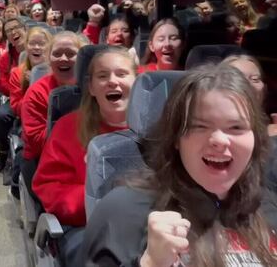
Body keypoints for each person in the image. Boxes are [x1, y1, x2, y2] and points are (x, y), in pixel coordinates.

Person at [80, 64, 277, 266]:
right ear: (176, 138)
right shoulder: (122, 212)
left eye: (236, 127)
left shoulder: (268, 205)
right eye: (199, 126)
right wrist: (150, 263)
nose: (220, 140)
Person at [33, 47, 136, 229]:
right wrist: (104, 201)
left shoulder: (158, 128)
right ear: (92, 88)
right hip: (87, 225)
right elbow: (49, 188)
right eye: (103, 76)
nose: (113, 81)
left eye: (121, 74)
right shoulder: (68, 127)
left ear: (137, 82)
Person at [21, 31, 87, 193]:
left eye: (71, 54)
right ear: (49, 59)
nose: (63, 58)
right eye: (57, 54)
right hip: (43, 161)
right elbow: (36, 140)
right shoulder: (36, 92)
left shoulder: (94, 87)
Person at [0, 18, 28, 173]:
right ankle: (3, 152)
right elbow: (8, 90)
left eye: (16, 28)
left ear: (25, 29)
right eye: (9, 31)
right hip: (17, 98)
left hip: (40, 96)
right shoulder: (6, 58)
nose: (13, 32)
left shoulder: (37, 49)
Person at [8, 27, 53, 119]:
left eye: (42, 44)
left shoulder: (57, 71)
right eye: (32, 44)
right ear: (26, 46)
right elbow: (17, 108)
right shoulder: (17, 73)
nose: (36, 47)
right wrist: (32, 86)